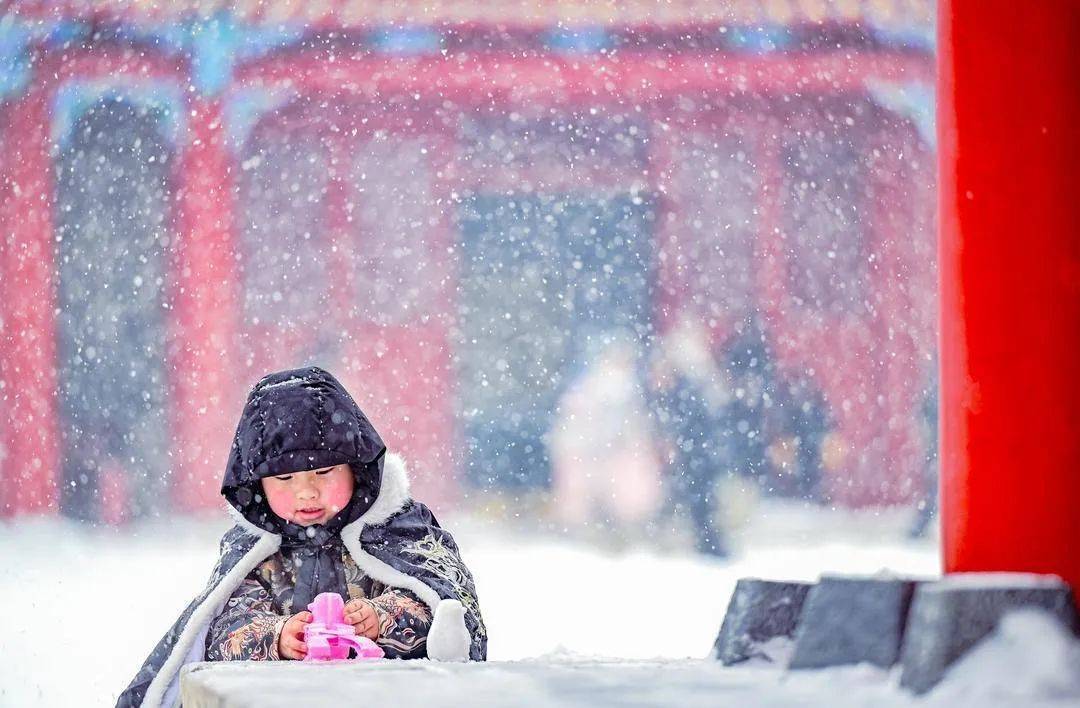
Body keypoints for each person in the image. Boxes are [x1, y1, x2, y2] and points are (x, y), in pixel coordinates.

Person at [117, 367, 486, 708]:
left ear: (357, 470)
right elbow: (225, 629)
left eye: (324, 472)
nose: (306, 492)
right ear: (256, 484)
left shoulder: (393, 528)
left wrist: (382, 619)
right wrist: (277, 636)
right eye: (284, 479)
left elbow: (445, 608)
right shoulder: (257, 552)